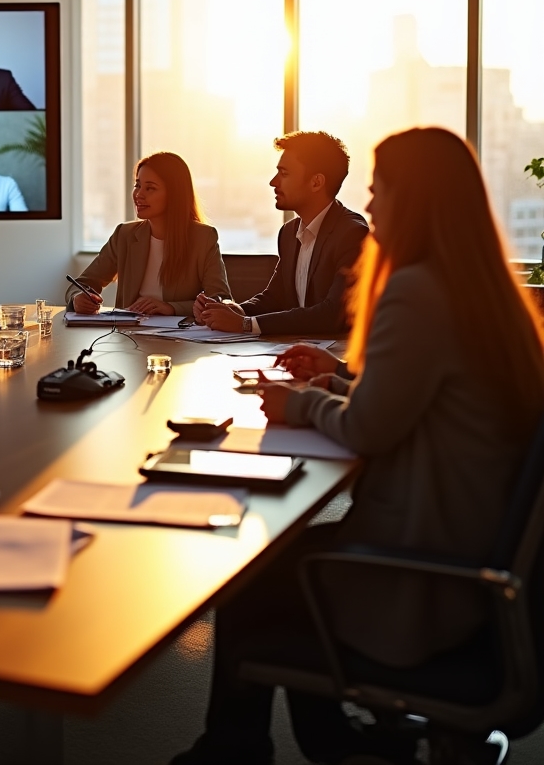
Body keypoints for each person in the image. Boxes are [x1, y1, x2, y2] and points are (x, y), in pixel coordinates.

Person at [173, 127, 544, 765]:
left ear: (417, 201)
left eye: (381, 191)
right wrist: (341, 377)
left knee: (248, 575)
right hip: (472, 551)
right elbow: (426, 396)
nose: (370, 207)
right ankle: (329, 741)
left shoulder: (417, 289)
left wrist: (300, 401)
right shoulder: (478, 289)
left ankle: (237, 752)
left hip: (421, 576)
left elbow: (369, 429)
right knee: (275, 561)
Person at [194, 131, 368, 335]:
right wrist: (233, 311)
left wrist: (245, 324)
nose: (273, 182)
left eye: (284, 173)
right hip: (297, 352)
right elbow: (275, 298)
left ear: (316, 182)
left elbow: (333, 314)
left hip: (337, 358)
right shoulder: (289, 232)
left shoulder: (352, 234)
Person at [66, 152, 230, 316]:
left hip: (181, 339)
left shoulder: (203, 238)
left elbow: (220, 299)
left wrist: (171, 308)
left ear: (174, 194)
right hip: (129, 337)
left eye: (150, 188)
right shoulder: (124, 235)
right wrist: (78, 299)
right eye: (137, 185)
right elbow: (81, 284)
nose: (139, 194)